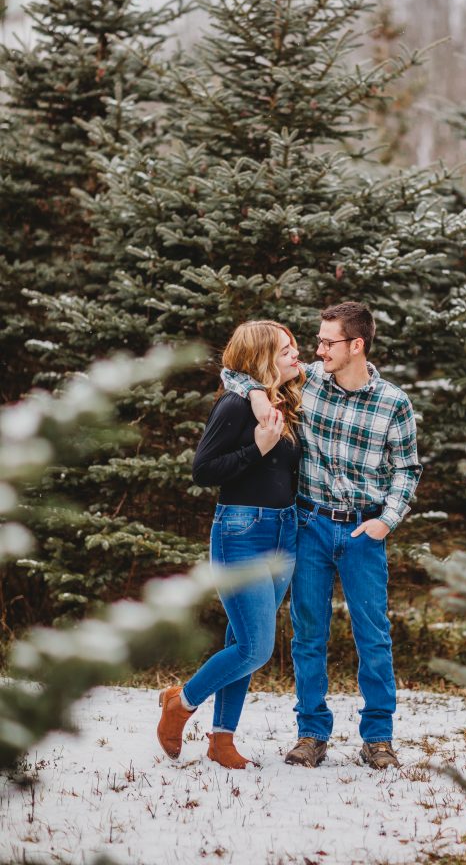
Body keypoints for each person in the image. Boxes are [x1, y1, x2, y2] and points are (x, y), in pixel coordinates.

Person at [221, 301, 422, 770]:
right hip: (308, 525)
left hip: (362, 531)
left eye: (328, 342)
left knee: (373, 636)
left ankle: (378, 737)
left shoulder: (393, 402)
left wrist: (385, 521)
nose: (318, 349)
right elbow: (236, 372)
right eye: (318, 341)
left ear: (357, 345)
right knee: (308, 634)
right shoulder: (308, 380)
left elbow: (407, 470)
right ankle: (311, 732)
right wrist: (254, 396)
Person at [156, 320, 303, 769]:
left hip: (284, 533)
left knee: (241, 640)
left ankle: (222, 740)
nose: (297, 355)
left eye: (296, 346)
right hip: (241, 532)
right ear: (262, 359)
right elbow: (203, 471)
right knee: (255, 648)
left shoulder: (282, 399)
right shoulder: (236, 408)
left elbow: (235, 371)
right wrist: (256, 449)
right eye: (286, 350)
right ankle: (181, 703)